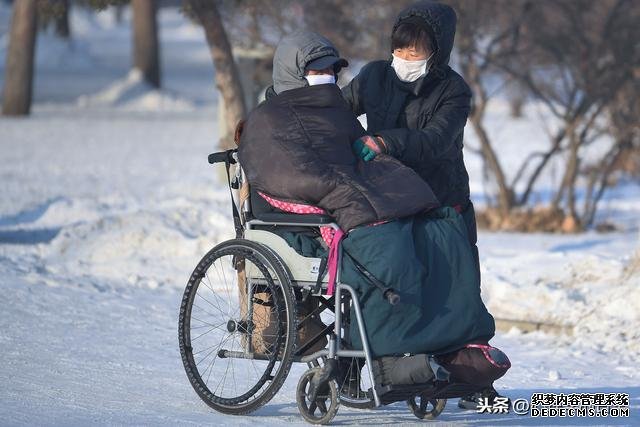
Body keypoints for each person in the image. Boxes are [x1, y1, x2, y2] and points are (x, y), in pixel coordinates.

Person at [238, 29, 507, 402]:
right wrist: (350, 187)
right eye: (317, 71)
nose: (327, 78)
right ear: (294, 72)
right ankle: (391, 362)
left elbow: (364, 151)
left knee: (442, 236)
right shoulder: (269, 119)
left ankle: (456, 350)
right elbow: (295, 173)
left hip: (364, 202)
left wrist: (379, 175)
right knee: (388, 250)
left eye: (331, 70)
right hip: (311, 216)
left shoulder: (449, 92)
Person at [341, 0, 506, 410]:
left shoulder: (453, 90)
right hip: (390, 199)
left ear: (438, 50)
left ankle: (475, 382)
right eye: (399, 49)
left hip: (441, 202)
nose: (404, 59)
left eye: (415, 52)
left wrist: (384, 141)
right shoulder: (375, 76)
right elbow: (336, 110)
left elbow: (435, 141)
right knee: (383, 281)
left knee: (458, 287)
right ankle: (353, 366)